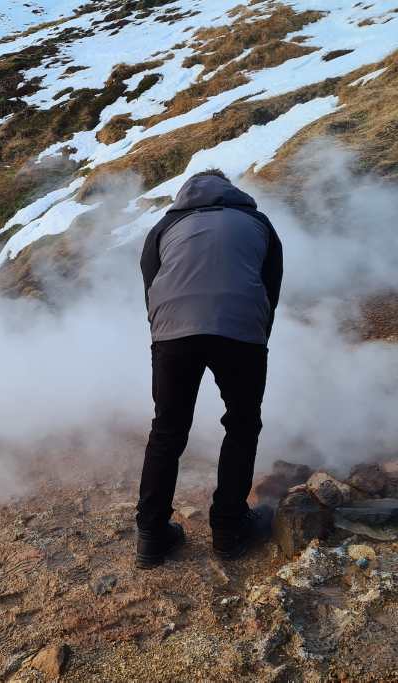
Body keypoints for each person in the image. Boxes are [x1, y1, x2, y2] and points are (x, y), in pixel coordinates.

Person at [135, 169, 283, 569]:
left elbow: (151, 284)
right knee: (242, 424)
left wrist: (165, 337)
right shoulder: (257, 222)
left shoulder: (166, 225)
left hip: (172, 334)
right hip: (240, 333)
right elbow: (271, 290)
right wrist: (255, 340)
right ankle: (229, 528)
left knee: (167, 430)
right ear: (231, 191)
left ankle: (151, 536)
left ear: (185, 194)